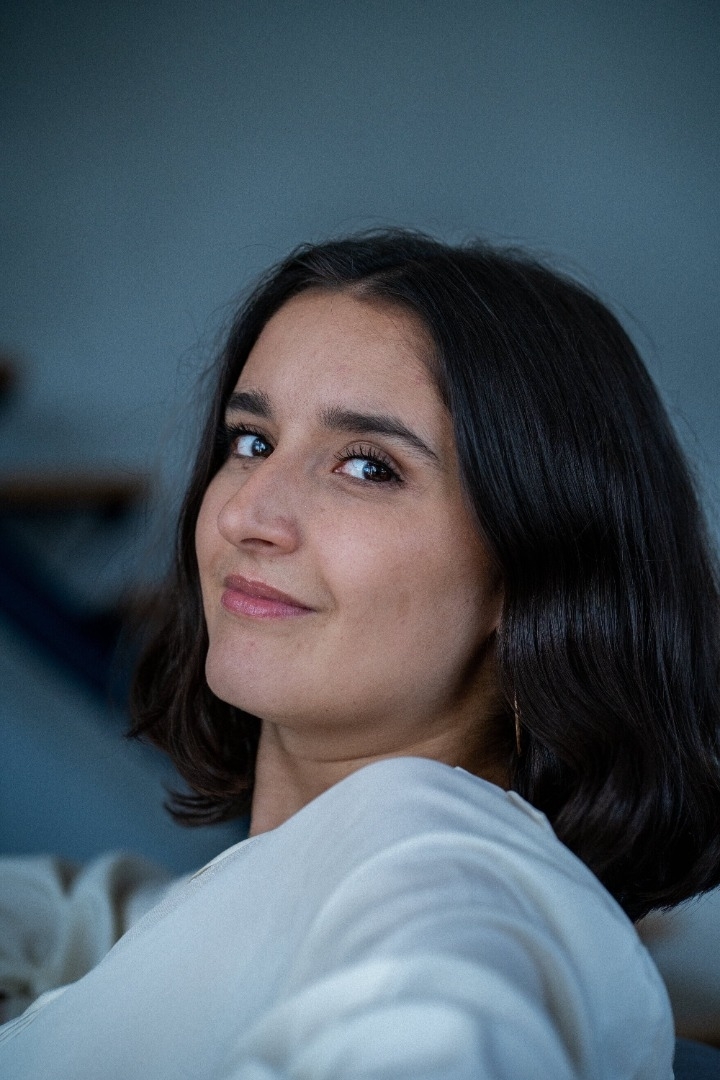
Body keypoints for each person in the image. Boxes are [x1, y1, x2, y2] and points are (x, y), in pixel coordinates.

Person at [1, 230, 719, 1078]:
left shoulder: (444, 878)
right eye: (251, 441)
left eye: (368, 467)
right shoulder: (293, 874)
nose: (245, 514)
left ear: (530, 565)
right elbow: (104, 931)